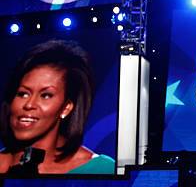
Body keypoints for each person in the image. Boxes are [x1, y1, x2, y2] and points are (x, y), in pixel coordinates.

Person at [0, 40, 115, 174]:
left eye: (46, 95)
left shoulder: (100, 169)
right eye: (23, 94)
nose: (29, 104)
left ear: (66, 108)